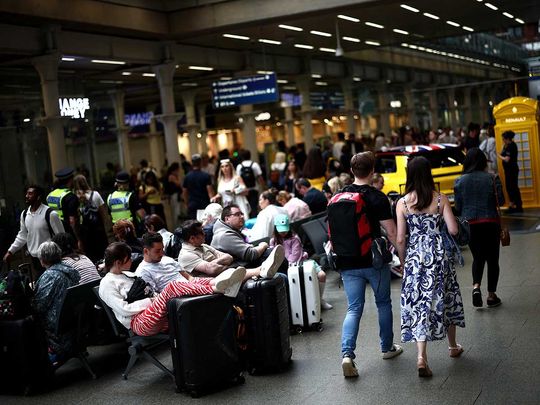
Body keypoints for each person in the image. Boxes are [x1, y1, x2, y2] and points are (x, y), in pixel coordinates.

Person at [395, 156, 465, 378]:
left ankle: (421, 357)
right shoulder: (439, 199)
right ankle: (452, 346)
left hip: (415, 257)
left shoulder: (402, 203)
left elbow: (399, 239)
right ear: (428, 173)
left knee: (419, 302)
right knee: (447, 296)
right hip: (438, 256)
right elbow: (453, 230)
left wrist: (404, 263)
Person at [336, 152, 403, 378]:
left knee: (354, 308)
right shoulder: (377, 197)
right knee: (383, 302)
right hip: (373, 260)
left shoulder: (339, 195)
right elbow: (392, 232)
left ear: (352, 171)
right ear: (372, 170)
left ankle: (347, 355)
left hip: (346, 260)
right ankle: (387, 347)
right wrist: (404, 259)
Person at [99, 241, 246, 337]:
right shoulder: (107, 284)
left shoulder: (128, 275)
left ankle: (219, 284)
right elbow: (124, 309)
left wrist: (155, 298)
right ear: (118, 262)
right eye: (128, 258)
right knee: (172, 287)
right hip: (139, 323)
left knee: (192, 286)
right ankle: (219, 289)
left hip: (154, 314)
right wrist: (152, 300)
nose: (131, 260)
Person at [454, 148, 504, 308]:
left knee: (478, 257)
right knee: (492, 259)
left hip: (471, 226)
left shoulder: (460, 181)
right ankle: (491, 295)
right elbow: (501, 201)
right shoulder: (492, 178)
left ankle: (476, 287)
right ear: (483, 161)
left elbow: (459, 207)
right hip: (490, 223)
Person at [178, 220, 282, 280]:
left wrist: (215, 264)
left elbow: (228, 257)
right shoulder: (186, 255)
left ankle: (263, 269)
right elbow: (211, 269)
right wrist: (218, 265)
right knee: (234, 272)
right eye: (201, 232)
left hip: (227, 272)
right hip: (215, 282)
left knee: (234, 271)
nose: (205, 233)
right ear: (192, 238)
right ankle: (262, 269)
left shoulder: (204, 246)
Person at [270, 214, 332, 310]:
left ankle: (320, 299)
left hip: (302, 262)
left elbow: (295, 256)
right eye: (280, 230)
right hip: (284, 267)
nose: (283, 232)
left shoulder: (295, 239)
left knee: (321, 275)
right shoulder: (273, 241)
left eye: (285, 229)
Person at [33, 241, 80, 364]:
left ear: (43, 259)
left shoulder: (49, 276)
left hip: (58, 326)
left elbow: (39, 307)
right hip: (74, 321)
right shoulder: (70, 270)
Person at [4, 185, 64, 277]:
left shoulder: (50, 214)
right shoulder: (24, 214)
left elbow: (61, 238)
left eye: (30, 193)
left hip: (51, 258)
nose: (26, 196)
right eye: (26, 193)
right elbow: (22, 236)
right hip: (35, 259)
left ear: (39, 197)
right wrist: (10, 251)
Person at [211, 204, 286, 273]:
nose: (242, 216)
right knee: (272, 253)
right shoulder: (224, 235)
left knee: (274, 254)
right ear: (227, 219)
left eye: (242, 214)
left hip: (241, 265)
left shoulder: (229, 230)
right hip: (234, 271)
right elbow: (251, 254)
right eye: (237, 214)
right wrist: (263, 245)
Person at [73, 174, 112, 263]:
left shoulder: (74, 197)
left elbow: (75, 218)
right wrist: (106, 228)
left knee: (89, 255)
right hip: (98, 230)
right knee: (102, 253)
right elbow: (103, 213)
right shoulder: (95, 194)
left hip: (84, 232)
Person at [107, 171, 146, 235]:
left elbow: (110, 217)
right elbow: (142, 215)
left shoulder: (110, 197)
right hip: (131, 230)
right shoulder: (131, 196)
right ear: (128, 183)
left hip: (118, 232)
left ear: (116, 183)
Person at [47, 167, 80, 241]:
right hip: (67, 235)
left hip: (54, 233)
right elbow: (72, 221)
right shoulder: (70, 196)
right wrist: (78, 239)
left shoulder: (50, 195)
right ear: (71, 180)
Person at [183, 154, 215, 219]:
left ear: (192, 163)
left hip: (192, 204)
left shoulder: (187, 176)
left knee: (193, 225)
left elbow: (184, 192)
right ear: (200, 163)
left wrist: (186, 204)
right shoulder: (206, 176)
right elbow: (210, 192)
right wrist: (213, 204)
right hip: (204, 204)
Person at [498, 130, 523, 213]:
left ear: (508, 138)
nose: (503, 140)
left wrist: (499, 156)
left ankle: (518, 206)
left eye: (503, 139)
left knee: (513, 187)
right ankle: (512, 204)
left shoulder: (512, 146)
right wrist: (503, 147)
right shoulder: (507, 146)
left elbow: (507, 159)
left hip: (512, 170)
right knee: (509, 187)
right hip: (508, 170)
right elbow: (503, 152)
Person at [236, 149, 265, 218]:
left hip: (244, 191)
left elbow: (238, 179)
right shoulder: (254, 165)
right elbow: (260, 177)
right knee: (254, 207)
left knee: (245, 208)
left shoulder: (239, 166)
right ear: (250, 156)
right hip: (254, 189)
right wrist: (264, 187)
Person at [163, 162, 183, 228]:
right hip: (174, 196)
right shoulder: (172, 176)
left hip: (174, 196)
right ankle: (177, 226)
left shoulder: (170, 175)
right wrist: (178, 177)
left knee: (176, 212)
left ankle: (177, 226)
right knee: (176, 212)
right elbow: (179, 184)